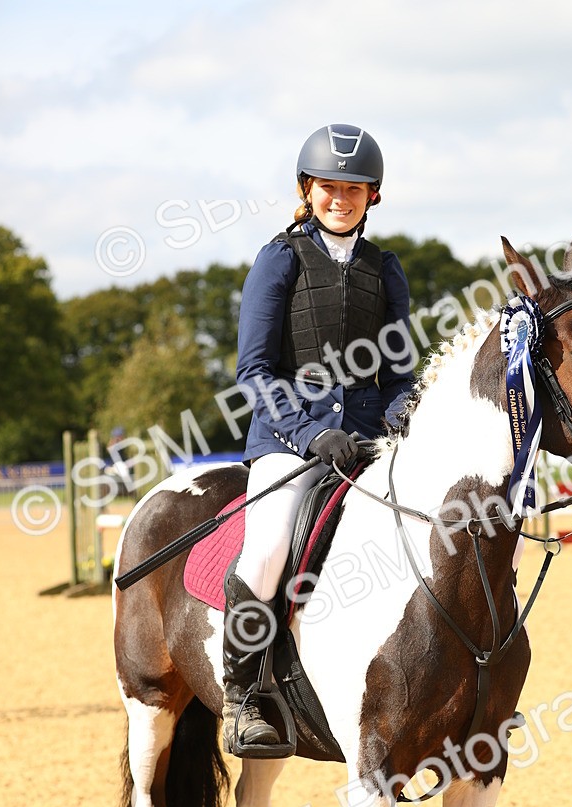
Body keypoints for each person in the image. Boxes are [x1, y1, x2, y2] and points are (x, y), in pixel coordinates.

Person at [222, 123, 415, 758]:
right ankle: (244, 697)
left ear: (373, 195)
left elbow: (400, 376)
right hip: (288, 438)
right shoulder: (279, 258)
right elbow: (255, 371)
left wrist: (397, 421)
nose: (341, 198)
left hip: (367, 442)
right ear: (308, 189)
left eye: (354, 189)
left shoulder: (385, 269)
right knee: (268, 549)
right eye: (330, 186)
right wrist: (310, 433)